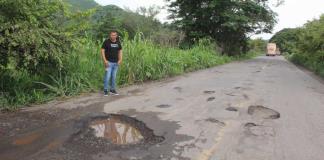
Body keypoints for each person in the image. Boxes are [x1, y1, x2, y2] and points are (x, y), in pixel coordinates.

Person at [101, 31, 123, 96]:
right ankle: (105, 90)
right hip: (108, 63)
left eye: (114, 35)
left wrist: (120, 59)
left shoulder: (118, 42)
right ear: (110, 35)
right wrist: (105, 61)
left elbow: (120, 51)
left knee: (114, 77)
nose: (113, 36)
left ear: (116, 35)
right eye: (112, 35)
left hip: (116, 63)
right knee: (107, 77)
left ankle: (112, 90)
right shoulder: (106, 42)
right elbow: (102, 51)